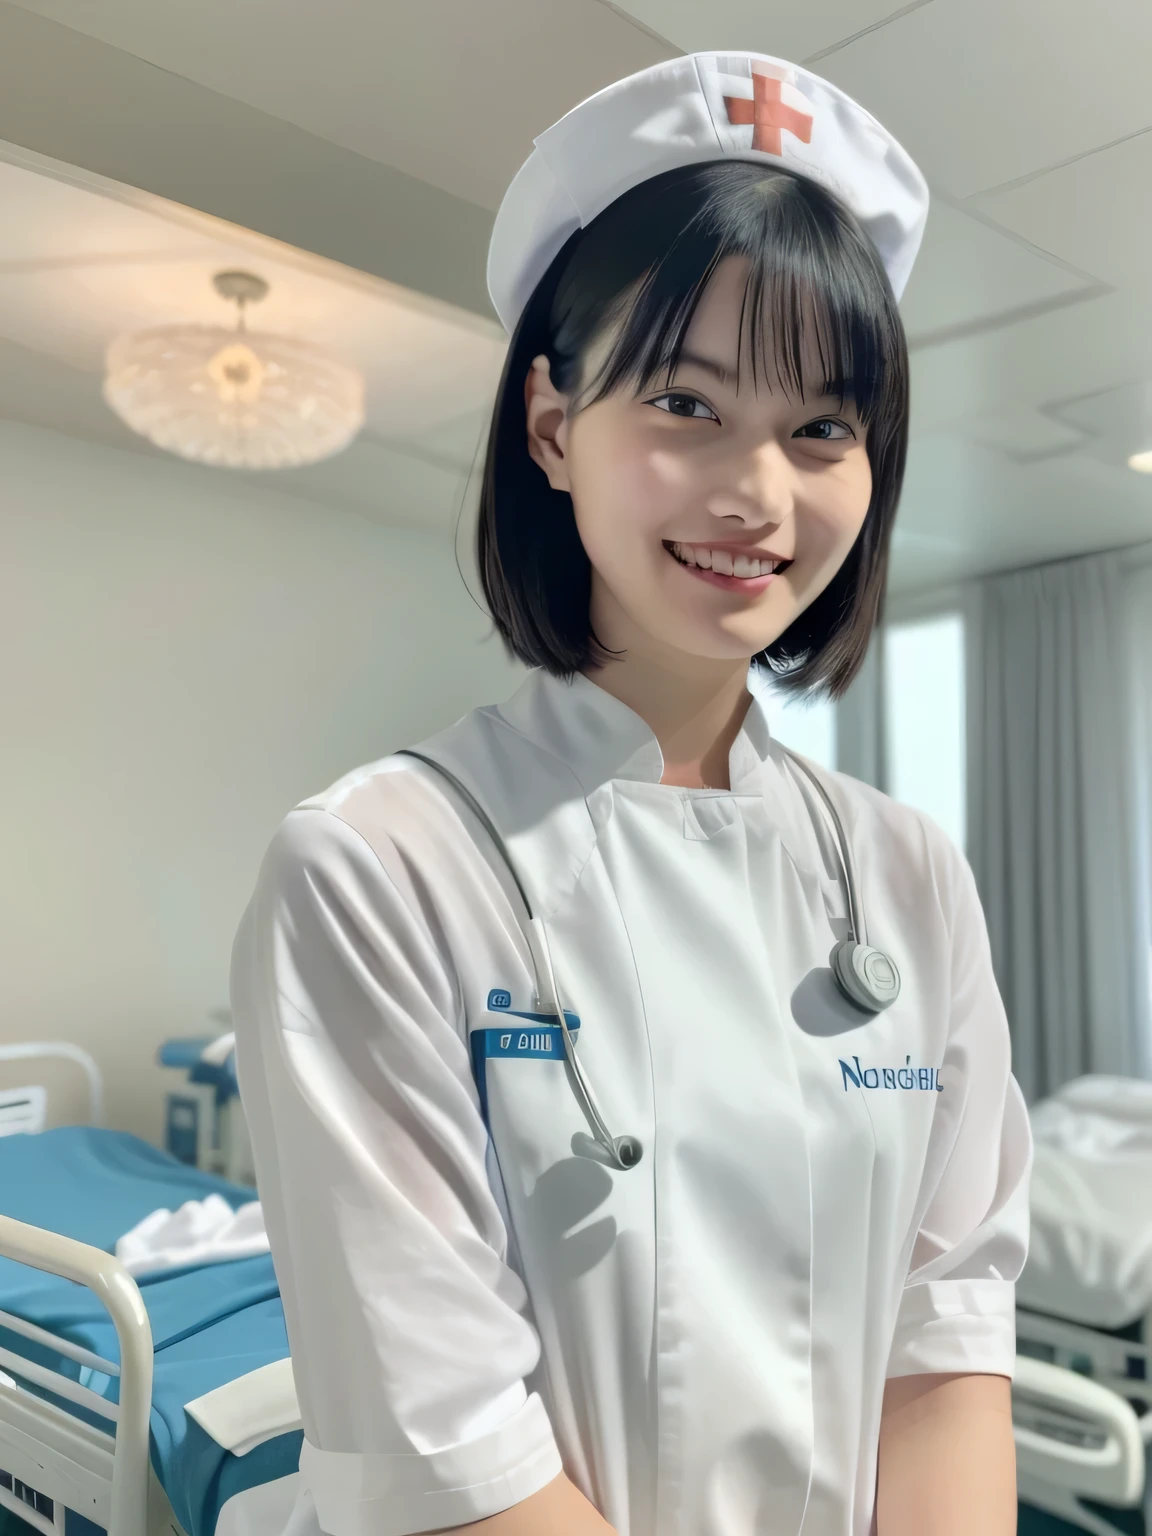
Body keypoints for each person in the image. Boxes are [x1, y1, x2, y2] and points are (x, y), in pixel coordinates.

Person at [231, 51, 1031, 1536]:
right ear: (551, 426)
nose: (761, 497)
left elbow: (947, 1343)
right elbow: (449, 1451)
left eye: (824, 428)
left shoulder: (912, 876)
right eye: (686, 403)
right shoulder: (376, 870)